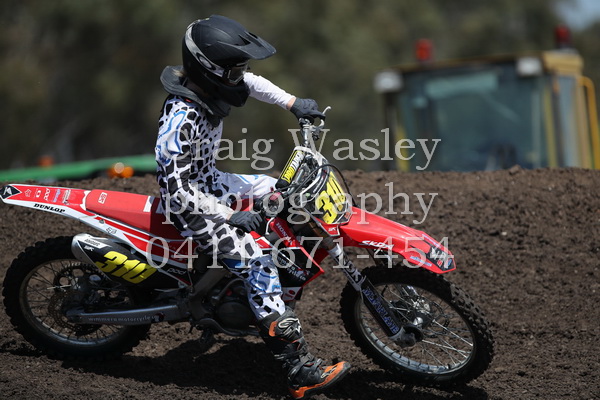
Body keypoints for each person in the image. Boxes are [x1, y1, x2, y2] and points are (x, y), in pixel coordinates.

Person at [154, 15, 350, 399]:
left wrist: (293, 103)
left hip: (212, 182)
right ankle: (298, 370)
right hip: (191, 205)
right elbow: (176, 188)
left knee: (281, 188)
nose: (240, 77)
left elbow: (251, 82)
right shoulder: (180, 119)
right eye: (234, 70)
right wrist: (231, 215)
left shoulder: (211, 88)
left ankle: (279, 280)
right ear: (208, 69)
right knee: (258, 262)